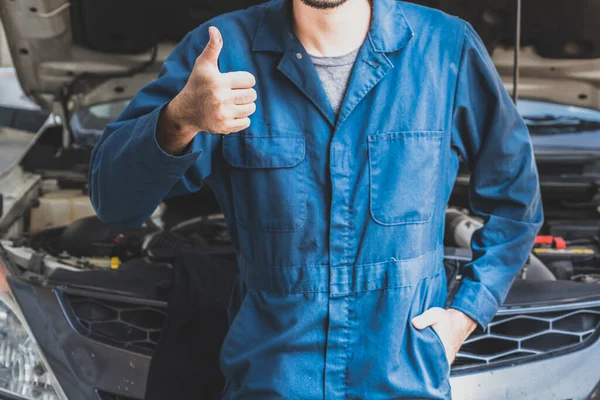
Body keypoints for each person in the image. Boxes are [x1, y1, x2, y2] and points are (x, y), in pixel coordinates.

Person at [89, 0, 543, 398]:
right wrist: (178, 119)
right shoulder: (221, 53)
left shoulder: (446, 49)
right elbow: (116, 203)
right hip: (271, 379)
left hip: (404, 379)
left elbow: (515, 202)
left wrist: (466, 313)